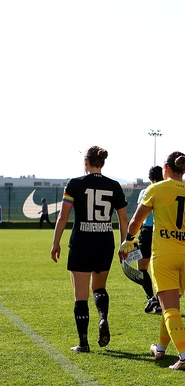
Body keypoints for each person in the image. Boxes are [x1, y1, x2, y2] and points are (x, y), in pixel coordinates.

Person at [123, 151, 185, 370]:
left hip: (164, 254)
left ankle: (184, 357)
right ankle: (160, 348)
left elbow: (135, 221)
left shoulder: (155, 189)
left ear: (165, 168)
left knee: (169, 307)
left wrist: (129, 240)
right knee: (170, 305)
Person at [51, 146, 129, 352]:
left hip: (81, 243)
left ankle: (83, 342)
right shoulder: (114, 186)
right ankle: (103, 317)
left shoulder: (75, 184)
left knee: (80, 294)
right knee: (99, 288)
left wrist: (55, 242)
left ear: (86, 162)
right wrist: (124, 244)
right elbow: (123, 219)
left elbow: (63, 217)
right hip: (105, 243)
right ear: (102, 163)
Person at [136, 166, 164, 314]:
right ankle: (160, 302)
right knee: (161, 268)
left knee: (142, 268)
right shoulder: (168, 190)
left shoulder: (145, 191)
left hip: (147, 231)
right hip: (163, 231)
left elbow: (139, 215)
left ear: (149, 177)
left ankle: (151, 296)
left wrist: (131, 236)